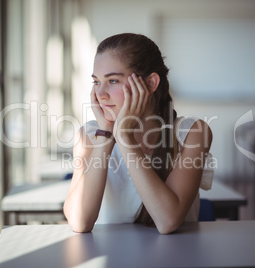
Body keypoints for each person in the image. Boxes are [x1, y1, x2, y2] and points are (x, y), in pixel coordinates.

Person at [64, 33, 213, 234]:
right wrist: (107, 135)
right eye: (96, 82)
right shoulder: (89, 136)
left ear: (151, 83)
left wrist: (124, 137)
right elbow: (80, 222)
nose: (100, 94)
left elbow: (168, 220)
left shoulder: (192, 132)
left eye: (113, 81)